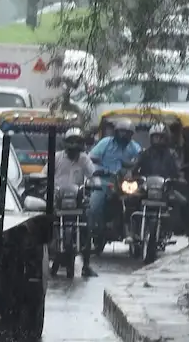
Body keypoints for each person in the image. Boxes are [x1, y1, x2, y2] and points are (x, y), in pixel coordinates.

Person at [40, 128, 96, 277]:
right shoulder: (57, 157)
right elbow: (43, 174)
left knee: (87, 225)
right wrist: (42, 183)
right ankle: (43, 257)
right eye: (71, 141)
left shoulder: (84, 159)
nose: (74, 145)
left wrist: (94, 183)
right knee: (43, 224)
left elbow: (93, 174)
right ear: (65, 143)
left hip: (76, 200)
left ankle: (87, 265)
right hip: (57, 200)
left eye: (77, 141)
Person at [86, 116, 141, 259]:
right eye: (121, 132)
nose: (123, 135)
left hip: (124, 182)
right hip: (105, 180)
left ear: (131, 135)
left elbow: (141, 158)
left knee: (136, 200)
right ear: (116, 132)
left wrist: (135, 167)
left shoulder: (134, 147)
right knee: (94, 205)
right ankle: (92, 233)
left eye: (127, 133)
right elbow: (91, 156)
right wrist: (99, 165)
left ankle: (135, 232)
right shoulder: (106, 142)